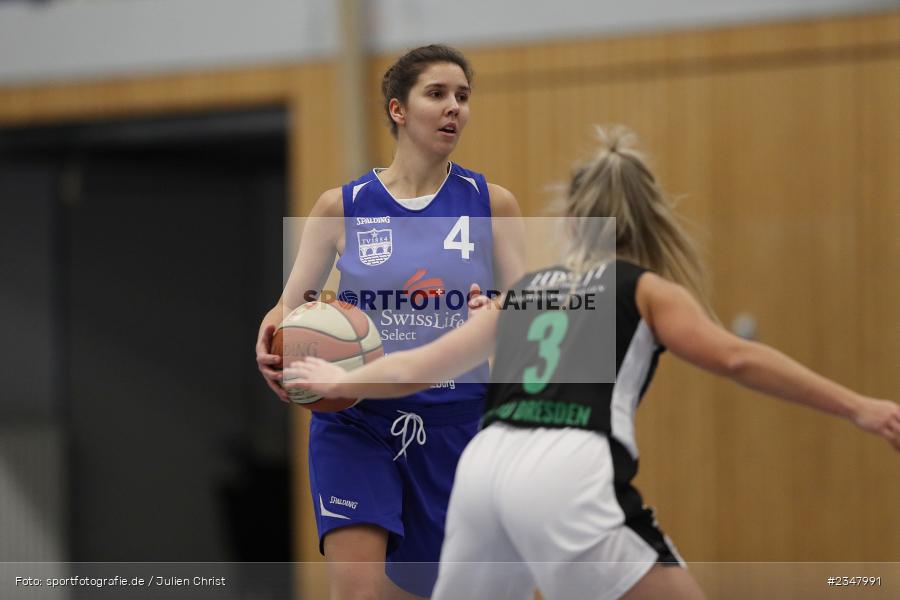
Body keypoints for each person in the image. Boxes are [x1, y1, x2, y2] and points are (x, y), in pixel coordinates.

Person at [285, 126, 900, 600]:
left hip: (484, 466)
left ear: (572, 218)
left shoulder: (526, 293)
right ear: (653, 217)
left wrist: (339, 378)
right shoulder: (644, 289)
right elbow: (737, 359)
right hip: (565, 470)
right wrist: (860, 407)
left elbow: (416, 365)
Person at [255, 44, 524, 599]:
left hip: (457, 421)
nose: (454, 107)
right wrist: (273, 334)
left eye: (462, 97)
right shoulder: (342, 207)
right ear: (398, 109)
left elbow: (532, 311)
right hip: (357, 419)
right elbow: (292, 304)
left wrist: (498, 312)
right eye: (437, 94)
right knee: (358, 591)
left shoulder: (491, 203)